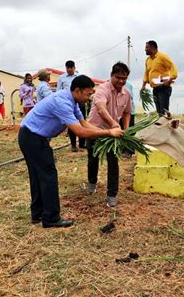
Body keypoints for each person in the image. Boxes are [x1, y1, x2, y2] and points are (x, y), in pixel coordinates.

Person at [18, 75, 123, 228]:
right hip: (32, 137)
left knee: (38, 176)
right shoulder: (62, 102)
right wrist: (108, 133)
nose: (89, 98)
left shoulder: (72, 101)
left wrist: (108, 131)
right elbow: (79, 132)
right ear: (77, 91)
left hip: (32, 136)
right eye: (88, 94)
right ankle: (51, 218)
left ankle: (38, 214)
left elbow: (84, 124)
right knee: (48, 176)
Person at [86, 62, 132, 208]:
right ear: (111, 75)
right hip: (95, 129)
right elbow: (101, 108)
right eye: (118, 77)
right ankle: (92, 183)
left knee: (113, 162)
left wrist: (126, 129)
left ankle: (112, 194)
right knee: (93, 158)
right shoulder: (102, 89)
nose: (121, 81)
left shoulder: (126, 94)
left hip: (113, 133)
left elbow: (126, 113)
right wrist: (113, 124)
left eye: (124, 78)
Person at [141, 40, 178, 115]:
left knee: (163, 112)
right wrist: (143, 85)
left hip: (164, 87)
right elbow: (146, 72)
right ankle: (162, 125)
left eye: (147, 47)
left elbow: (172, 66)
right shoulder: (148, 60)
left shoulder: (162, 56)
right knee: (159, 113)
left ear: (153, 47)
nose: (145, 49)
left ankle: (166, 125)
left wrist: (170, 79)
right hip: (155, 88)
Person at [57, 60, 86, 151]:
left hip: (80, 102)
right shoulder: (61, 78)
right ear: (65, 68)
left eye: (71, 67)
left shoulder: (79, 77)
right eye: (67, 68)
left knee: (82, 121)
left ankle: (82, 143)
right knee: (71, 122)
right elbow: (59, 91)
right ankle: (73, 145)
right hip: (68, 103)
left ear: (74, 68)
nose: (69, 69)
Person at [120, 81, 135, 158]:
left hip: (129, 112)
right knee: (121, 130)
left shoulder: (128, 84)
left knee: (129, 131)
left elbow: (128, 98)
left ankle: (129, 151)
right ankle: (122, 149)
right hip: (120, 112)